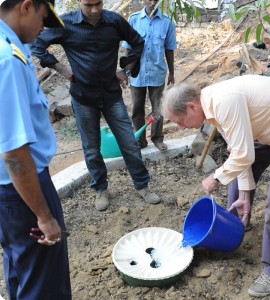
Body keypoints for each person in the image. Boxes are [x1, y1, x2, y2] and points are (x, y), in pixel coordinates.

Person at [161, 75, 270, 298]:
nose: (180, 126)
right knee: (235, 175)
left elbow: (243, 155)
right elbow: (239, 155)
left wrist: (215, 177)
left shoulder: (225, 101)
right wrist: (244, 195)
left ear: (191, 106)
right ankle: (236, 223)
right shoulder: (213, 110)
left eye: (179, 121)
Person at [30, 0, 161, 211]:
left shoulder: (114, 21)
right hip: (83, 98)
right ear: (79, 2)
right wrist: (63, 69)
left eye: (98, 4)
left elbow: (138, 42)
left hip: (111, 96)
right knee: (91, 148)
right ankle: (100, 188)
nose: (94, 10)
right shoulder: (65, 24)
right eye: (88, 5)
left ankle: (142, 185)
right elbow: (38, 46)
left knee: (129, 142)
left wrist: (126, 70)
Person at [0, 0, 72, 299]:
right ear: (26, 7)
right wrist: (43, 215)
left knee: (22, 268)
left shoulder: (9, 47)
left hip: (9, 192)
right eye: (43, 18)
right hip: (22, 189)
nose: (43, 28)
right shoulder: (8, 60)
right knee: (44, 282)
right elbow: (15, 156)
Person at [122, 0, 176, 151]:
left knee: (158, 107)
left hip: (157, 72)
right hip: (137, 73)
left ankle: (157, 138)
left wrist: (171, 72)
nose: (152, 2)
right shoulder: (134, 19)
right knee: (137, 108)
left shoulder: (167, 22)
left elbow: (169, 49)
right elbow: (127, 48)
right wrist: (126, 71)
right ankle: (139, 141)